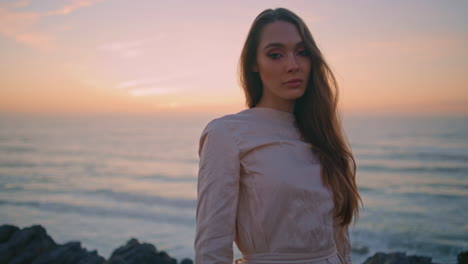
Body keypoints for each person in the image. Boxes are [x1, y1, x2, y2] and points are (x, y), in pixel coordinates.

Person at [194, 7, 361, 264]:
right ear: (254, 64)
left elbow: (340, 242)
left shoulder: (322, 135)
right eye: (275, 55)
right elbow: (211, 248)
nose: (293, 65)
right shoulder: (226, 134)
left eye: (302, 52)